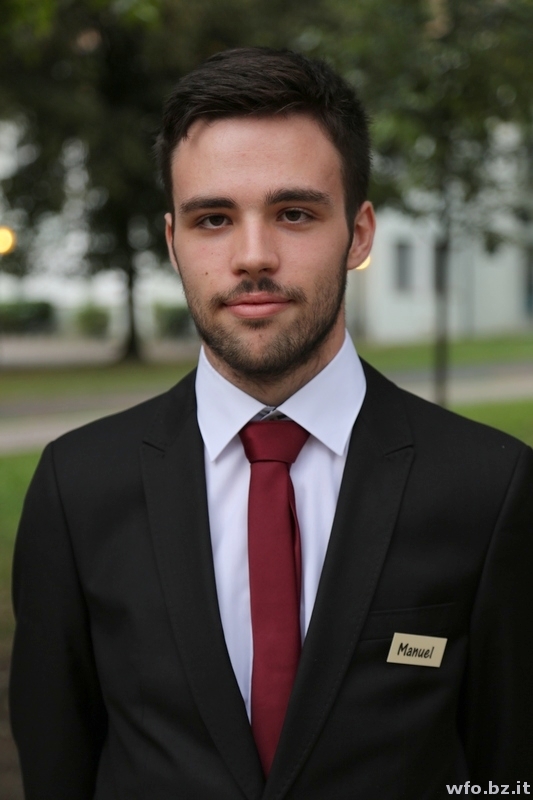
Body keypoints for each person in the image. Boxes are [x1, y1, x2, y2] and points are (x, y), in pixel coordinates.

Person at [10, 47, 533, 800]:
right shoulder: (76, 488)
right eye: (213, 219)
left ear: (358, 234)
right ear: (173, 242)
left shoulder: (490, 486)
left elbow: (508, 774)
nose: (252, 257)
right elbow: (59, 763)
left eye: (293, 214)